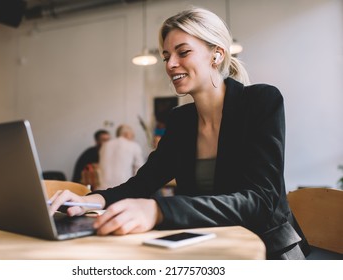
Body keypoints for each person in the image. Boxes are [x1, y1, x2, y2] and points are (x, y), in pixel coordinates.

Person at [50, 7, 309, 260]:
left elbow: (259, 201)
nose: (171, 64)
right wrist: (91, 201)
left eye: (183, 52)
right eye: (166, 57)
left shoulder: (261, 101)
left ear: (216, 55)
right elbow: (144, 183)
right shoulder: (181, 120)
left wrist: (158, 211)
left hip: (267, 250)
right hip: (206, 247)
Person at [98, 124, 144, 190]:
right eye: (132, 135)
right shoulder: (134, 146)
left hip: (102, 188)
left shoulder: (105, 145)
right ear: (126, 133)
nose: (133, 138)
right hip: (123, 189)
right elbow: (140, 170)